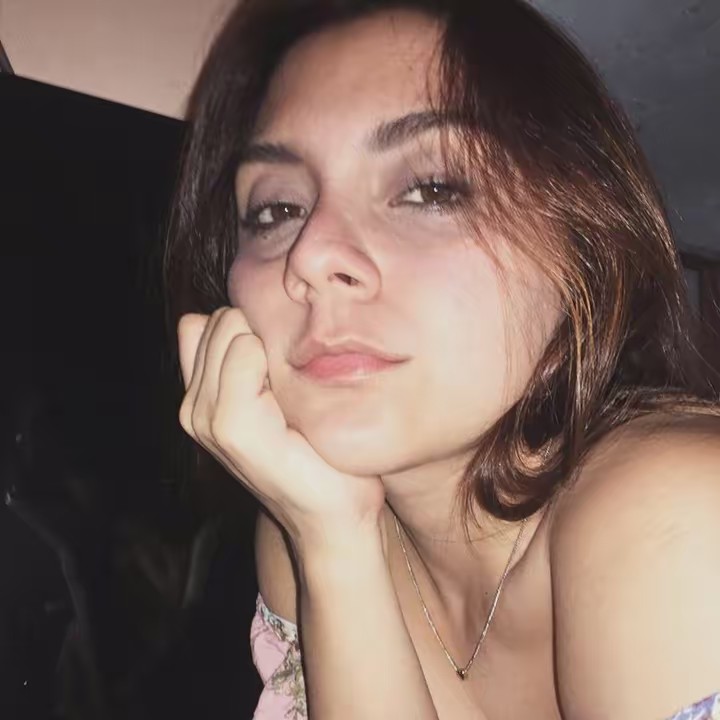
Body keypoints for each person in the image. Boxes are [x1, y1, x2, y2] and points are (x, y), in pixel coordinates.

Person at [165, 0, 720, 718]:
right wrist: (335, 544)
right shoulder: (306, 527)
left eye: (430, 189)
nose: (313, 255)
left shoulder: (681, 516)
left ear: (583, 250)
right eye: (277, 210)